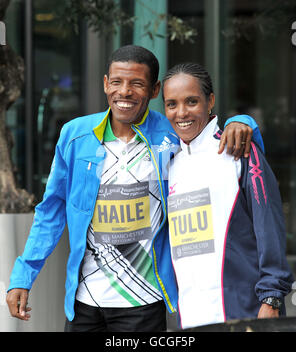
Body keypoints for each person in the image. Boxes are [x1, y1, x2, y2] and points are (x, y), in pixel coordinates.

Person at [6, 45, 262, 332]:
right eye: (116, 82)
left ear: (154, 91)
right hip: (84, 301)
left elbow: (211, 133)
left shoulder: (171, 135)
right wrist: (23, 276)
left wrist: (243, 121)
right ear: (105, 84)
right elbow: (51, 211)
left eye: (136, 84)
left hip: (144, 302)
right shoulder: (76, 135)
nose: (124, 92)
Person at [162, 62, 294, 330]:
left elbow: (269, 227)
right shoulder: (166, 162)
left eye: (191, 101)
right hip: (190, 316)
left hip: (245, 312)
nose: (181, 113)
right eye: (171, 104)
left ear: (210, 101)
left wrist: (271, 298)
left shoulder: (240, 150)